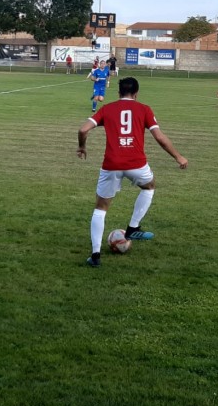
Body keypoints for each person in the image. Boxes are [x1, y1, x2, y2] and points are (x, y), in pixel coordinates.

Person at [76, 76, 188, 267]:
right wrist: (179, 157)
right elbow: (160, 138)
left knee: (101, 208)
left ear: (119, 92)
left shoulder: (107, 108)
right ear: (136, 93)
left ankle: (95, 256)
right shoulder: (144, 109)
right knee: (149, 187)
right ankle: (133, 227)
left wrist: (82, 147)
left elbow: (83, 130)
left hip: (111, 164)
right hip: (137, 164)